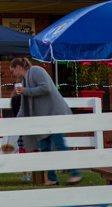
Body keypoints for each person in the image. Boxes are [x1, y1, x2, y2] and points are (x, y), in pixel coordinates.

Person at [11, 57, 82, 186]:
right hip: (43, 119)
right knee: (44, 147)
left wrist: (26, 91)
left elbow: (46, 88)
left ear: (17, 67)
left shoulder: (36, 70)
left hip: (55, 114)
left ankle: (75, 173)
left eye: (12, 71)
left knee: (59, 144)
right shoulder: (25, 82)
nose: (13, 75)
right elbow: (24, 105)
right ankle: (52, 178)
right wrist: (16, 122)